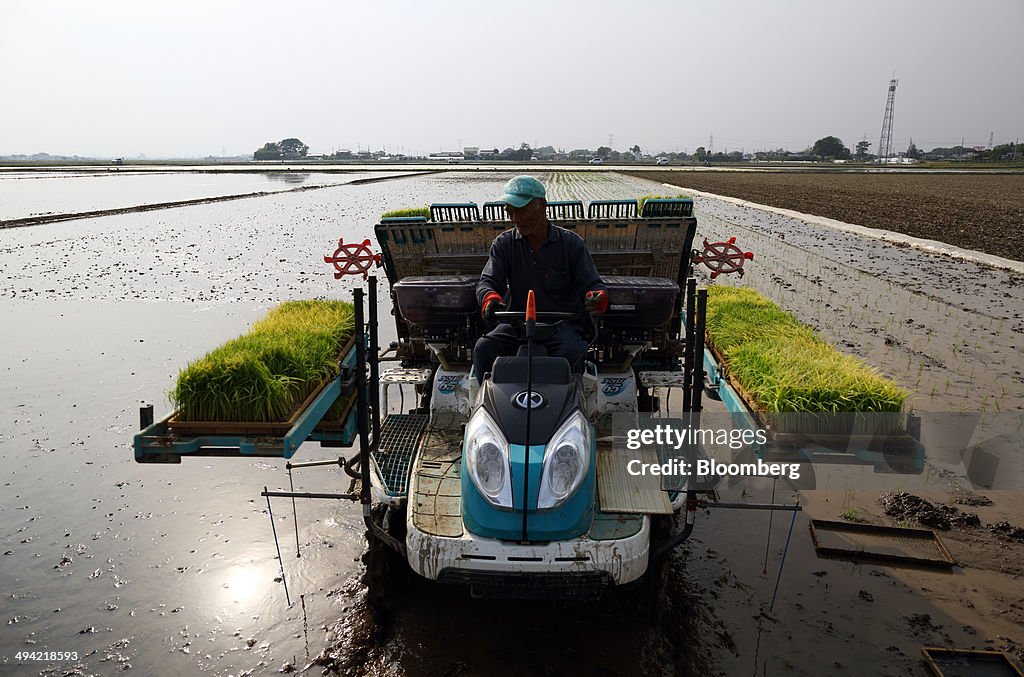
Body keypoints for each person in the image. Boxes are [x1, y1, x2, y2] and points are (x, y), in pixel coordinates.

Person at [473, 175, 608, 383]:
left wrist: (597, 297)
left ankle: (571, 410)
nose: (515, 218)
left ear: (542, 206)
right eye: (510, 212)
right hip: (517, 324)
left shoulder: (571, 244)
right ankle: (485, 408)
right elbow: (488, 282)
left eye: (522, 210)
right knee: (484, 349)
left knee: (573, 352)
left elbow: (593, 284)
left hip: (561, 326)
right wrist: (489, 299)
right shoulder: (504, 244)